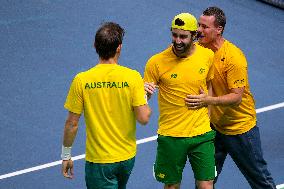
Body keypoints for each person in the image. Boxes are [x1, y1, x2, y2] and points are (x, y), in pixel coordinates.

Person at [185, 6, 276, 189]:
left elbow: (237, 97)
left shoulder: (233, 57)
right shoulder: (200, 49)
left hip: (240, 130)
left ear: (219, 30)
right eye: (199, 25)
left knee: (260, 181)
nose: (199, 31)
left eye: (205, 27)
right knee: (205, 179)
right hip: (216, 127)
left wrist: (207, 101)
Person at [61, 22, 152, 189]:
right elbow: (144, 118)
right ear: (119, 48)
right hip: (126, 159)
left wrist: (66, 155)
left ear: (95, 46)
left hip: (100, 162)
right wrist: (144, 98)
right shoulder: (133, 77)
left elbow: (72, 124)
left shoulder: (82, 80)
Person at [144, 13, 216, 189]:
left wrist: (208, 112)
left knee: (207, 185)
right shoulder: (156, 62)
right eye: (174, 35)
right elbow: (143, 98)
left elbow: (209, 86)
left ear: (194, 36)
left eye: (183, 36)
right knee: (172, 186)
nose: (177, 40)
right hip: (171, 136)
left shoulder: (207, 56)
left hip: (201, 133)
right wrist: (144, 93)